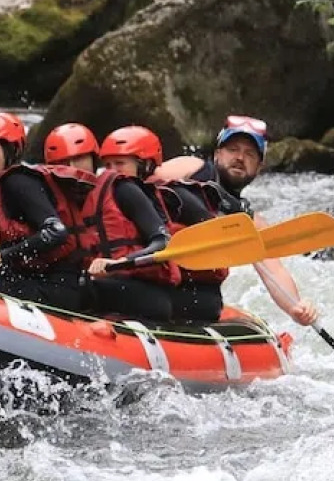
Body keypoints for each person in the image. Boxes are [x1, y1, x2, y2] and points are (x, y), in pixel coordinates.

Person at [157, 115, 319, 325]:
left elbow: (274, 272)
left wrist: (296, 307)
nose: (240, 158)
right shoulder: (189, 168)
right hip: (151, 274)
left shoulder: (247, 220)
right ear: (217, 154)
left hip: (195, 296)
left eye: (250, 153)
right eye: (233, 149)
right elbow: (138, 185)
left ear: (259, 168)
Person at [0, 111, 92, 310]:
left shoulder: (18, 182)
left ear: (9, 149)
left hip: (57, 287)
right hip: (35, 279)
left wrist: (0, 258)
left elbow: (56, 232)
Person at [80, 125, 179, 322]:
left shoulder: (126, 190)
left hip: (142, 290)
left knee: (77, 288)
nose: (112, 171)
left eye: (120, 163)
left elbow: (162, 241)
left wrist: (118, 263)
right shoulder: (104, 190)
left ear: (145, 165)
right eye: (107, 165)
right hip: (116, 283)